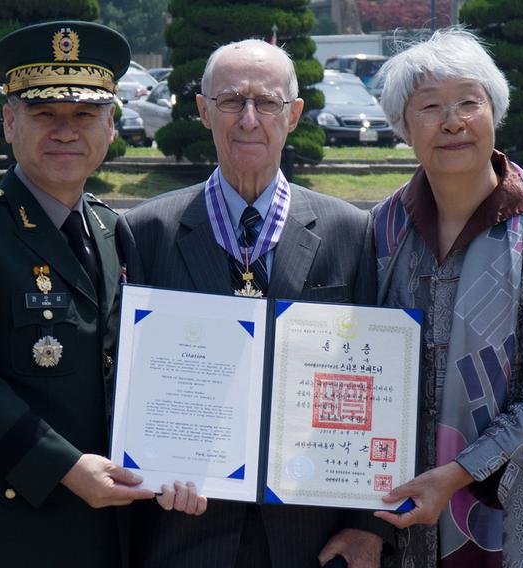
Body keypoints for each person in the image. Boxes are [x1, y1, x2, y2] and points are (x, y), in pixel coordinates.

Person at [117, 39, 393, 568]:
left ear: (292, 115)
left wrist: (366, 528)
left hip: (310, 534)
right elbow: (125, 384)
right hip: (185, 525)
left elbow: (380, 390)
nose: (248, 119)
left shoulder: (350, 231)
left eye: (266, 103)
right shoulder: (148, 231)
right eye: (229, 101)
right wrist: (149, 468)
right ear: (201, 111)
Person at [0, 21, 155, 567]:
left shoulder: (116, 231)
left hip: (106, 528)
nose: (66, 131)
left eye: (85, 115)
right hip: (7, 528)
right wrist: (64, 467)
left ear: (110, 126)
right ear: (8, 122)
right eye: (44, 114)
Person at [368, 28, 523, 567]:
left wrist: (457, 474)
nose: (452, 121)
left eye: (468, 103)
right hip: (404, 498)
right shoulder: (382, 229)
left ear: (494, 111)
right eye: (429, 107)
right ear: (404, 128)